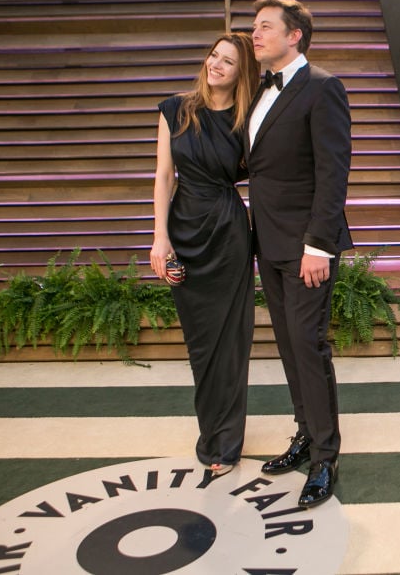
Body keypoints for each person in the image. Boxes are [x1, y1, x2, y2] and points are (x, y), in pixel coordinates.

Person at [245, 0, 352, 508]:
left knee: (309, 347)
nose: (254, 34)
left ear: (295, 36)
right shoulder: (259, 91)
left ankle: (326, 458)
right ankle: (306, 432)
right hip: (268, 242)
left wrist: (319, 245)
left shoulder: (322, 88)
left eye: (265, 26)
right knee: (288, 346)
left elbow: (333, 175)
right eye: (253, 27)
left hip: (307, 246)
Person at [150, 32, 260, 478]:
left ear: (241, 73)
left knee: (231, 341)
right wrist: (160, 238)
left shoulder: (246, 117)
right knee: (201, 344)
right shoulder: (174, 109)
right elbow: (163, 177)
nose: (216, 64)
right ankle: (210, 431)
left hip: (229, 233)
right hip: (184, 232)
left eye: (228, 61)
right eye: (214, 55)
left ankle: (225, 442)